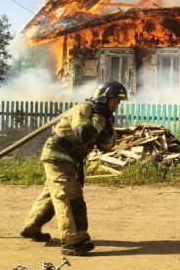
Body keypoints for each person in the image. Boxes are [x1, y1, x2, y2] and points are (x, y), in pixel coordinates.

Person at [20, 80, 127, 255]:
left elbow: (105, 146)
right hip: (57, 156)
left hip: (72, 160)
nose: (116, 104)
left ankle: (31, 227)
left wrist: (107, 130)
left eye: (118, 102)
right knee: (69, 196)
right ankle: (73, 241)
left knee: (52, 194)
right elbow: (83, 135)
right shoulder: (83, 109)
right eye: (114, 100)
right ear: (103, 98)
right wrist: (99, 121)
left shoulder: (105, 117)